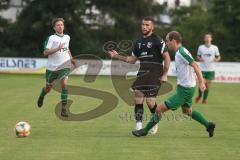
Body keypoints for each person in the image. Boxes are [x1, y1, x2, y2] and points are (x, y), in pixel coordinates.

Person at [132, 31, 216, 138]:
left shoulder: (181, 52)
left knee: (159, 109)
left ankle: (144, 131)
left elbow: (196, 65)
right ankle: (209, 125)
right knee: (187, 111)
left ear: (173, 40)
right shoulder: (180, 52)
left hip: (185, 90)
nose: (166, 44)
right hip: (186, 88)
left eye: (167, 41)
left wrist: (201, 82)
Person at [108, 17, 170, 134]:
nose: (144, 27)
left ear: (152, 27)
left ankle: (155, 122)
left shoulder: (158, 40)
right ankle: (138, 126)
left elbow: (167, 58)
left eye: (147, 25)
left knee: (150, 102)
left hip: (155, 73)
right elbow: (132, 60)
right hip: (142, 72)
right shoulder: (138, 42)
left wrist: (165, 74)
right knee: (138, 98)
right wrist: (117, 56)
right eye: (143, 24)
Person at [37, 17, 76, 117]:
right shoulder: (51, 38)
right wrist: (57, 48)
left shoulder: (67, 37)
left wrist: (71, 58)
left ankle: (63, 109)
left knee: (64, 84)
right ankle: (42, 95)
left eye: (61, 25)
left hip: (65, 66)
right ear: (54, 28)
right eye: (58, 25)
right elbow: (45, 52)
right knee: (48, 88)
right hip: (52, 68)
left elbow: (67, 48)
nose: (60, 27)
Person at [195, 33, 221, 104]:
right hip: (202, 69)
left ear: (211, 39)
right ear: (204, 39)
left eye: (208, 37)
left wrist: (216, 59)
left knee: (207, 86)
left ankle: (204, 99)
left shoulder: (215, 47)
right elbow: (198, 56)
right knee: (202, 83)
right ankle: (200, 96)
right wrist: (200, 59)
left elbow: (218, 57)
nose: (207, 39)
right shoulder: (201, 47)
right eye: (206, 37)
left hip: (211, 70)